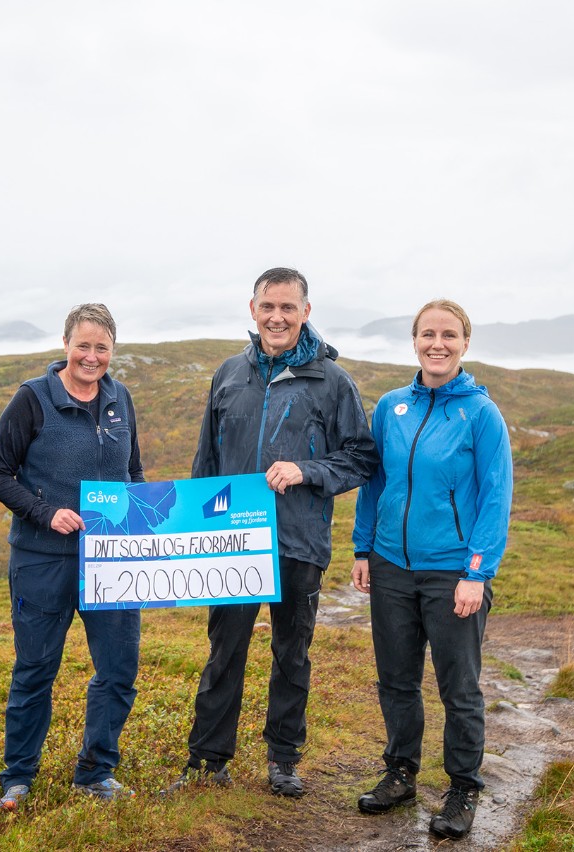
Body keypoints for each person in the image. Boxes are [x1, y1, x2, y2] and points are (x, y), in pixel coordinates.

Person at [168, 267, 378, 797]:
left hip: (298, 544)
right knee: (225, 651)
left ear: (306, 312)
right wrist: (195, 537)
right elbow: (206, 462)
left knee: (292, 654)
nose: (277, 317)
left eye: (288, 307)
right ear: (252, 309)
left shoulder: (333, 382)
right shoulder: (228, 375)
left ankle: (284, 759)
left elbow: (360, 458)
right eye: (268, 306)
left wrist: (306, 472)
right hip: (232, 543)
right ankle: (208, 758)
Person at [350, 298, 512, 841]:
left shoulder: (481, 414)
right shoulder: (392, 406)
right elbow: (376, 483)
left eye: (448, 335)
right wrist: (362, 549)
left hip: (452, 572)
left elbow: (495, 497)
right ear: (414, 340)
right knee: (396, 680)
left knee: (458, 687)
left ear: (465, 344)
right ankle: (400, 773)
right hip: (391, 566)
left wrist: (478, 572)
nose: (436, 344)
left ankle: (463, 787)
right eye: (427, 334)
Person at [0, 303, 145, 810]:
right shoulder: (32, 399)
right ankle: (18, 776)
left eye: (101, 347)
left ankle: (96, 771)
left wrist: (143, 523)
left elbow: (133, 475)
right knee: (35, 669)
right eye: (83, 345)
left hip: (109, 562)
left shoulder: (121, 400)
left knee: (118, 668)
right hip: (42, 558)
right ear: (66, 344)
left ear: (112, 350)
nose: (91, 356)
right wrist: (44, 512)